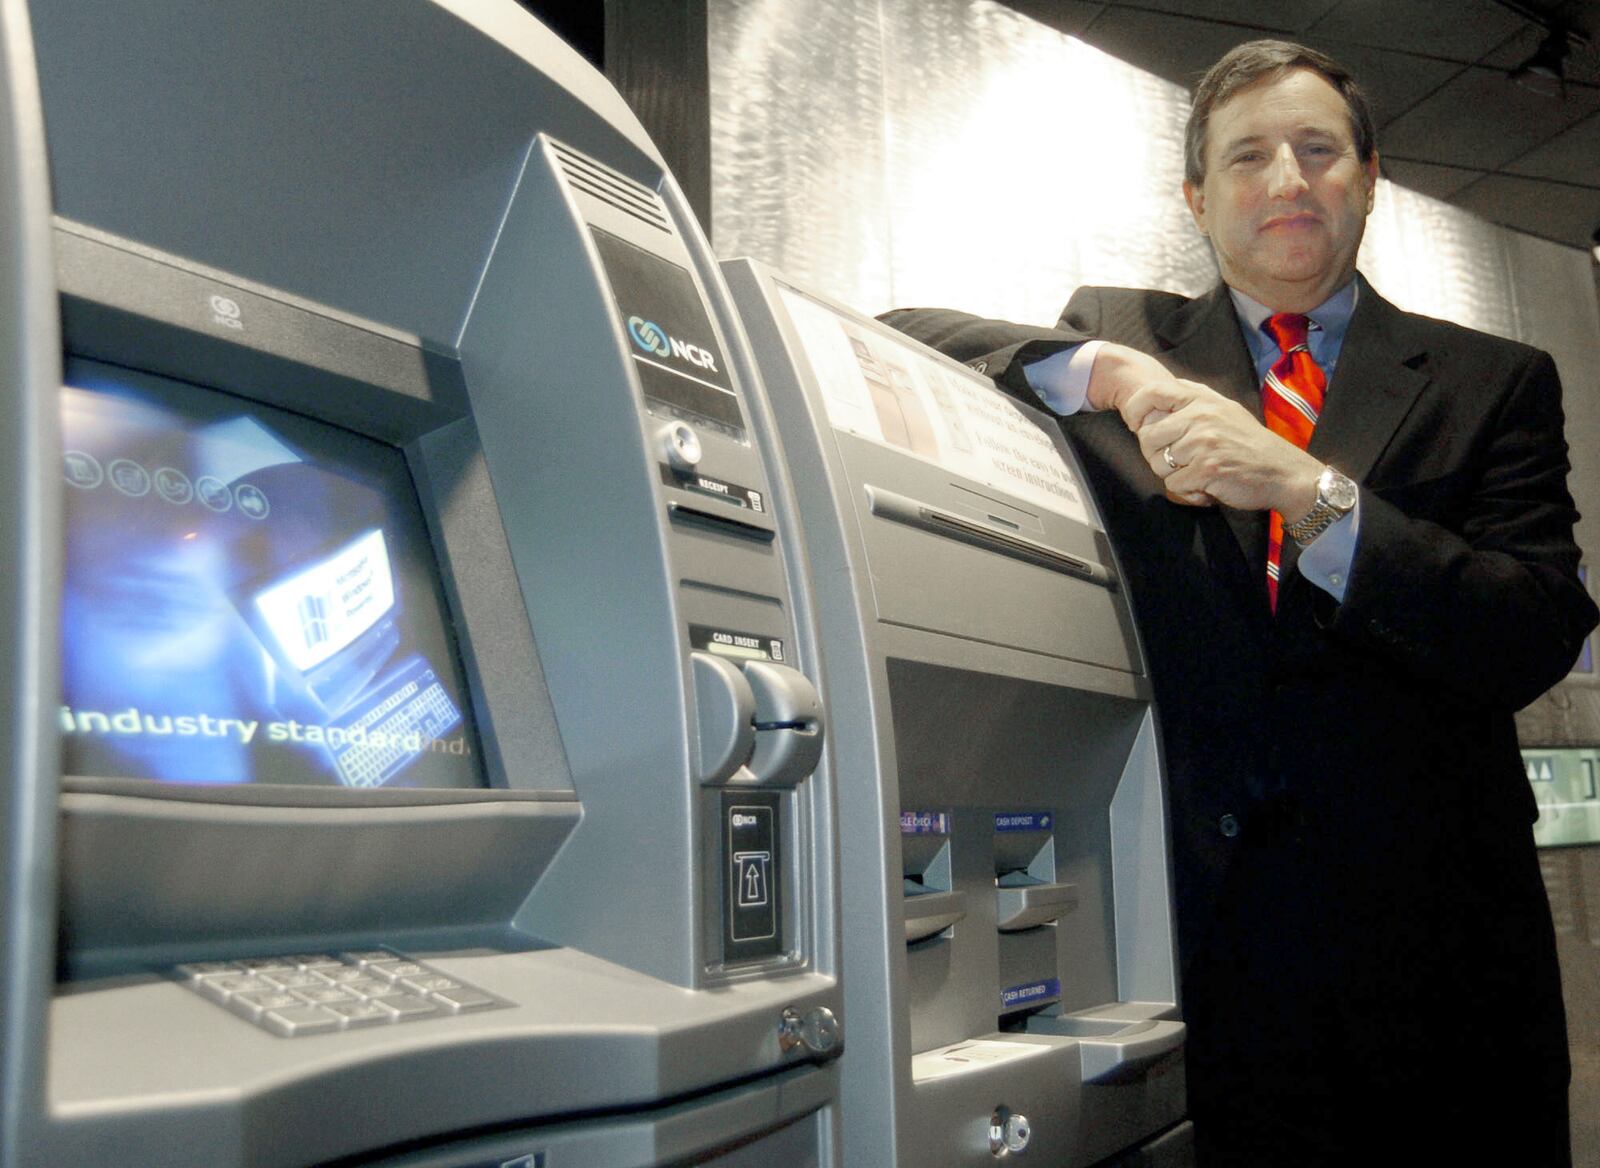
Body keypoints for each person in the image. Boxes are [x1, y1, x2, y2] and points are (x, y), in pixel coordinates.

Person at [884, 39, 1596, 1167]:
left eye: (1318, 151)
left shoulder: (1493, 379)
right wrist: (1113, 377)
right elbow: (900, 340)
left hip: (1436, 964)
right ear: (1197, 197)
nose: (1285, 179)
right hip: (1193, 953)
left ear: (1367, 179)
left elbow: (1531, 628)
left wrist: (1307, 494)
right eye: (1248, 155)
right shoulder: (1119, 331)